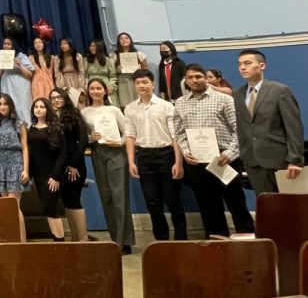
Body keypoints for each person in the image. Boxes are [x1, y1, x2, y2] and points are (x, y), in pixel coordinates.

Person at [174, 64, 254, 237]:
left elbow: (239, 130)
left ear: (206, 78)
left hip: (224, 159)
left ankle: (249, 243)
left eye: (198, 77)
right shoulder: (180, 103)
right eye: (190, 78)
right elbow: (179, 132)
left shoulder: (224, 99)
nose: (194, 81)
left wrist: (230, 154)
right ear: (186, 81)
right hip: (197, 162)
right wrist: (186, 151)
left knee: (236, 204)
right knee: (208, 206)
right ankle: (218, 244)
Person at [124, 71, 187, 241]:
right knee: (152, 202)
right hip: (144, 156)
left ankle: (181, 239)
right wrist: (131, 161)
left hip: (166, 155)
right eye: (138, 83)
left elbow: (176, 136)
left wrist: (178, 163)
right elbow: (130, 136)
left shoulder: (166, 106)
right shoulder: (130, 109)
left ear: (152, 84)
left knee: (173, 200)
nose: (141, 86)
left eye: (145, 82)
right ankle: (161, 239)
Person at [233, 49, 304, 195]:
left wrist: (295, 160)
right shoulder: (238, 94)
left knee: (288, 206)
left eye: (248, 63)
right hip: (252, 161)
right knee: (267, 206)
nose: (243, 67)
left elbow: (294, 128)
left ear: (261, 66)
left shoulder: (279, 91)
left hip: (279, 159)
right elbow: (242, 128)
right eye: (240, 64)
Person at [81, 79, 134, 254]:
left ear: (105, 91)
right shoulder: (85, 112)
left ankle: (124, 241)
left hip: (116, 153)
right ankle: (114, 239)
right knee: (106, 195)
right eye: (92, 88)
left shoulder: (114, 110)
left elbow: (128, 130)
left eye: (99, 88)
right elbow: (84, 136)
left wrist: (120, 142)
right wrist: (91, 138)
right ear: (88, 91)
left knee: (119, 196)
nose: (95, 91)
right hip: (97, 152)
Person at [49, 88, 88, 241]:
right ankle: (75, 236)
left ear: (65, 98)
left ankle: (83, 238)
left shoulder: (75, 114)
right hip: (60, 166)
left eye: (59, 97)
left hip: (75, 165)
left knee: (74, 200)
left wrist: (73, 163)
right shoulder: (51, 117)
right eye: (52, 98)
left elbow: (83, 140)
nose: (56, 100)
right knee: (66, 202)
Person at [26, 97, 67, 241]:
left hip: (52, 175)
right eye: (36, 106)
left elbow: (62, 154)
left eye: (42, 107)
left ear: (47, 109)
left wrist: (56, 176)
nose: (38, 109)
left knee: (52, 208)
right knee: (46, 208)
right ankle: (55, 237)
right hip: (38, 175)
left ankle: (60, 241)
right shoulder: (30, 129)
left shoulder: (55, 128)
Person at [0, 93, 28, 241]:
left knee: (13, 205)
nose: (3, 107)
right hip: (0, 164)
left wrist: (25, 169)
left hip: (16, 163)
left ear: (10, 105)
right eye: (0, 104)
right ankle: (11, 240)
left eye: (5, 104)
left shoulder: (19, 124)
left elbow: (25, 148)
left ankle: (22, 241)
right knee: (5, 206)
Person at [0, 36, 34, 126]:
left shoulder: (21, 56)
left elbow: (30, 75)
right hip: (7, 84)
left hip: (21, 85)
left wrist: (20, 65)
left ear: (13, 45)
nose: (6, 46)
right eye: (4, 44)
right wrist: (1, 66)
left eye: (8, 44)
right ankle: (10, 127)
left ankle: (27, 128)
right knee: (8, 104)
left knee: (23, 106)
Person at [112, 32, 149, 108]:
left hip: (136, 81)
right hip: (123, 82)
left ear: (130, 40)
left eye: (126, 38)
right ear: (118, 42)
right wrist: (117, 69)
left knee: (139, 103)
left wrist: (140, 70)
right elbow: (111, 71)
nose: (124, 40)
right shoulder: (114, 55)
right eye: (121, 39)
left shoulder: (139, 54)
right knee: (125, 104)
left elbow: (146, 70)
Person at [55, 38, 86, 108]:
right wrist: (63, 88)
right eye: (61, 44)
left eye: (65, 44)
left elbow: (81, 72)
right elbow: (57, 74)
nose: (63, 46)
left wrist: (81, 87)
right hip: (65, 83)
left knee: (79, 106)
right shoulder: (58, 58)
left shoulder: (78, 56)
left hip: (76, 82)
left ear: (70, 45)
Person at [85, 40, 118, 105]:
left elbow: (113, 76)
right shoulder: (86, 60)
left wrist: (111, 86)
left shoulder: (108, 60)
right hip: (91, 87)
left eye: (93, 46)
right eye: (90, 46)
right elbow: (85, 75)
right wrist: (86, 85)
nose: (91, 48)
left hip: (106, 86)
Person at [30, 37, 57, 104]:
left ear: (44, 44)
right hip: (36, 85)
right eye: (35, 43)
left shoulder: (52, 58)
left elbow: (55, 73)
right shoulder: (31, 58)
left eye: (39, 42)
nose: (37, 44)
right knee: (39, 103)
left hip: (49, 84)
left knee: (50, 103)